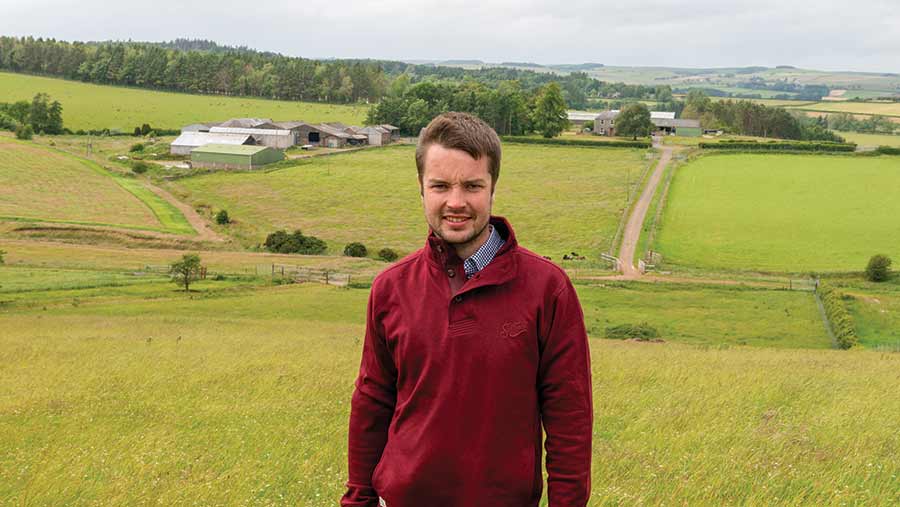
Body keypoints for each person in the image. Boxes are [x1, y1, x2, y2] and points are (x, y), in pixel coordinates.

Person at [341, 112, 593, 507]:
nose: (455, 202)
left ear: (493, 189)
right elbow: (372, 402)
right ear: (421, 190)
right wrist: (358, 500)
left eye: (472, 186)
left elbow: (569, 416)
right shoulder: (390, 289)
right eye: (440, 186)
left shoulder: (548, 289)